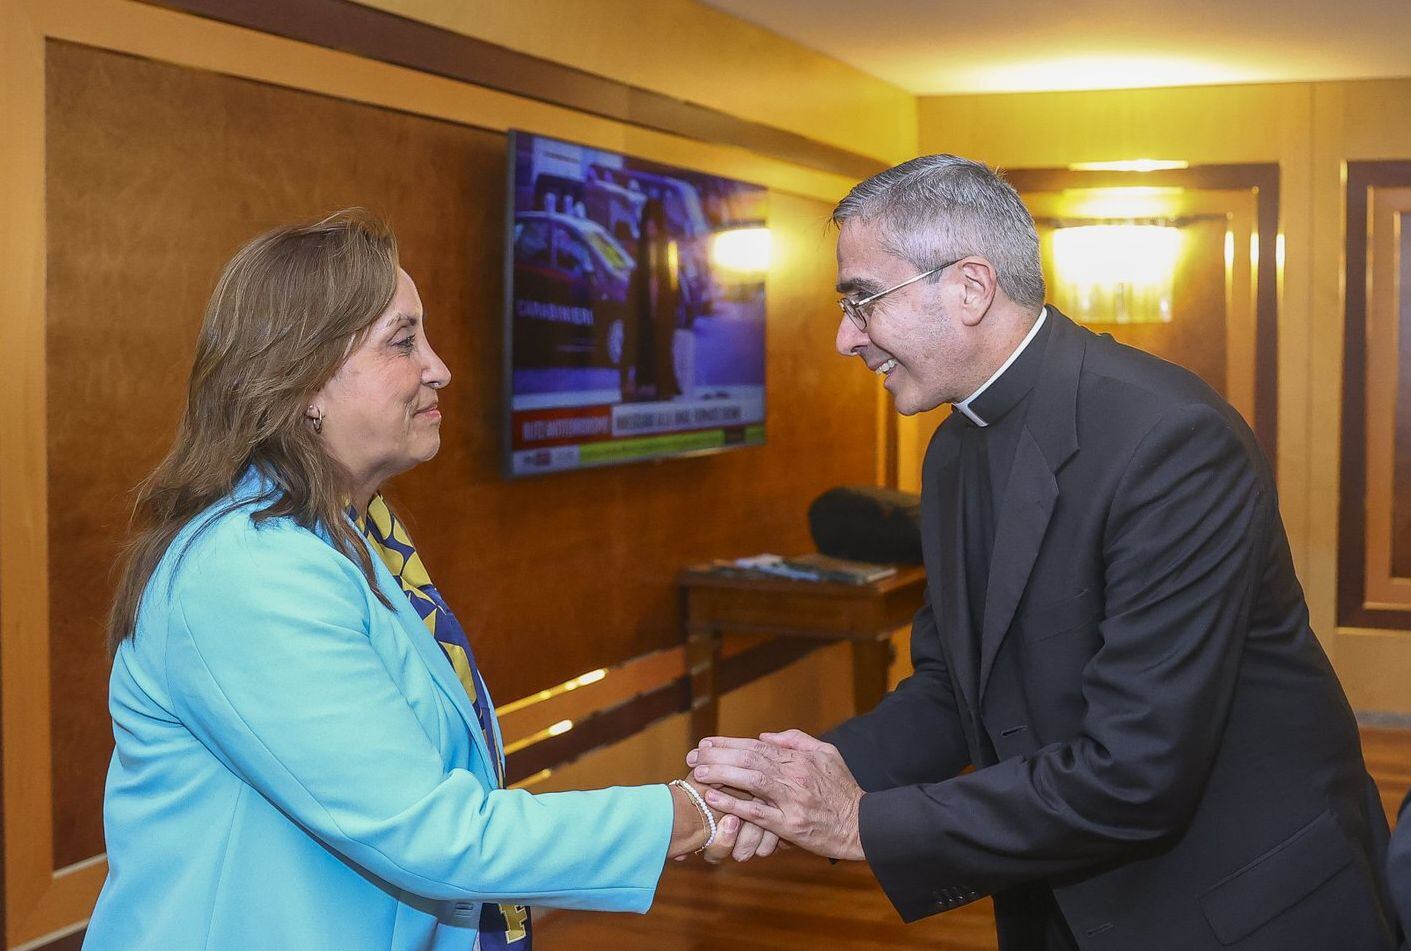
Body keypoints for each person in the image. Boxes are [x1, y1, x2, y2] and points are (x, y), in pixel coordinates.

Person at [689, 155, 1401, 950]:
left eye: (862, 300)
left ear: (968, 287)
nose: (844, 336)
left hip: (1240, 908)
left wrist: (858, 821)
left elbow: (1137, 771)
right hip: (1058, 901)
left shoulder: (1169, 438)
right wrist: (792, 775)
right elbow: (949, 690)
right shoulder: (954, 450)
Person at [85, 209, 734, 951]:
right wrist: (685, 812)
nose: (439, 366)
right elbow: (432, 833)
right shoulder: (250, 570)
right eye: (403, 341)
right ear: (301, 382)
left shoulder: (356, 530)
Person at [621, 196, 683, 401]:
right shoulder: (641, 247)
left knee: (663, 343)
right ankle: (646, 382)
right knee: (644, 341)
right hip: (644, 303)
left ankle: (663, 384)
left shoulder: (668, 248)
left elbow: (673, 281)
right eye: (647, 223)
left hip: (662, 304)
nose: (650, 228)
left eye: (653, 223)